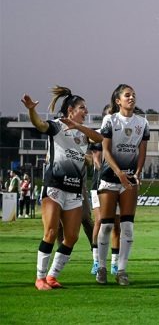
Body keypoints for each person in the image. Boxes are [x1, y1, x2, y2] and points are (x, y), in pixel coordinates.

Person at [22, 87, 103, 290]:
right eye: (82, 108)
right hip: (55, 186)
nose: (86, 111)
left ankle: (52, 276)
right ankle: (39, 278)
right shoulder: (57, 126)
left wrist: (78, 126)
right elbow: (39, 125)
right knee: (50, 231)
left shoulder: (84, 133)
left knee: (72, 237)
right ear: (70, 110)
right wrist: (32, 110)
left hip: (75, 189)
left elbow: (99, 138)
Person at [96, 84, 150, 286]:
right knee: (107, 224)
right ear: (118, 100)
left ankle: (122, 270)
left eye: (134, 94)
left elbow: (142, 151)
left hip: (129, 180)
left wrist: (137, 172)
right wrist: (119, 174)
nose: (132, 97)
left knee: (127, 226)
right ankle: (101, 267)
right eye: (127, 95)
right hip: (110, 178)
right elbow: (106, 151)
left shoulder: (143, 123)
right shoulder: (109, 120)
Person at [89, 138, 121, 276]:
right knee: (99, 221)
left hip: (119, 185)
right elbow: (96, 163)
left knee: (116, 226)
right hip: (99, 184)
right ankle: (96, 261)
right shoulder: (100, 136)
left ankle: (115, 263)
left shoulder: (123, 137)